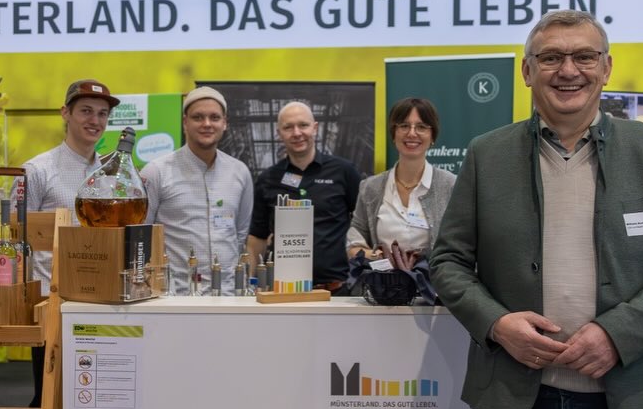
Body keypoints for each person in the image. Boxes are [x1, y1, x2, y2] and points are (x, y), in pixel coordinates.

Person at [430, 10, 643, 409]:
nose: (568, 70)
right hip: (519, 399)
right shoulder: (487, 155)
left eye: (584, 56)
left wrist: (617, 334)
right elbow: (448, 261)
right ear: (527, 71)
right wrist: (497, 324)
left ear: (606, 67)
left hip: (627, 398)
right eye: (550, 58)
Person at [22, 78, 121, 408]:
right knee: (49, 395)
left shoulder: (110, 172)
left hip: (101, 298)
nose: (95, 121)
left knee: (93, 394)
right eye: (86, 111)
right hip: (53, 300)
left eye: (102, 114)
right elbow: (16, 236)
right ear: (65, 113)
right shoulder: (37, 170)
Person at [142, 86, 253, 295]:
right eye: (198, 117)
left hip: (229, 296)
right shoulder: (157, 171)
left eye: (214, 117)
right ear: (185, 123)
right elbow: (142, 234)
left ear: (224, 123)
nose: (207, 124)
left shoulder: (240, 172)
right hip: (175, 298)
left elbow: (239, 235)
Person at [248, 101, 364, 294]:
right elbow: (257, 238)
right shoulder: (268, 179)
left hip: (337, 291)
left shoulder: (344, 172)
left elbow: (363, 224)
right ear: (279, 133)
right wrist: (251, 284)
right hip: (283, 291)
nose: (297, 133)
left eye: (303, 125)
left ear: (315, 128)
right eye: (288, 127)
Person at [346, 97, 456, 260]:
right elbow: (354, 243)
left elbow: (462, 244)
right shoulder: (370, 188)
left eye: (421, 127)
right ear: (393, 133)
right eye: (404, 126)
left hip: (436, 277)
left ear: (432, 136)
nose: (412, 133)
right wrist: (382, 257)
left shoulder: (451, 186)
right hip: (382, 276)